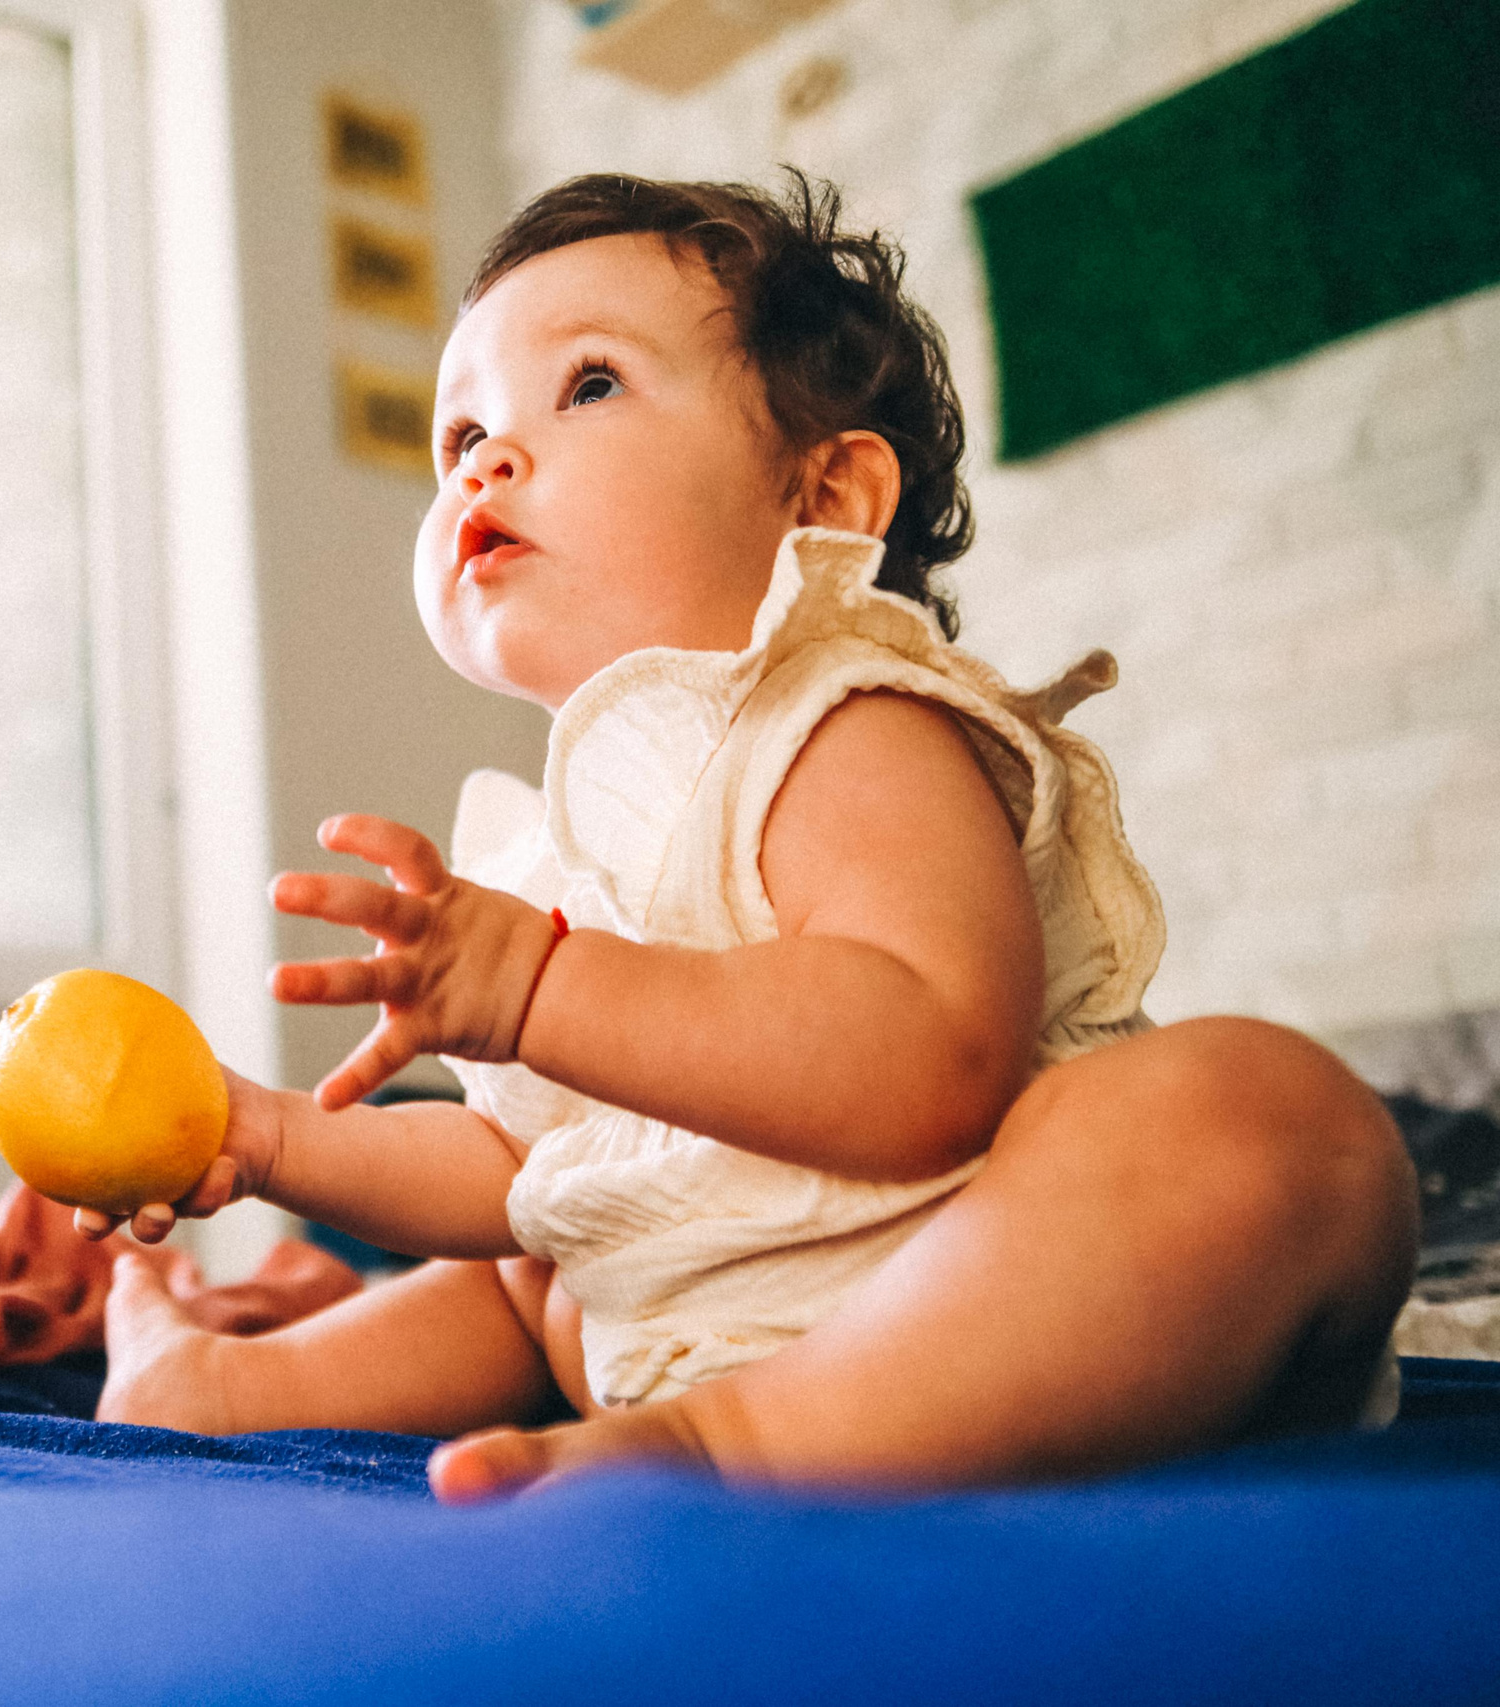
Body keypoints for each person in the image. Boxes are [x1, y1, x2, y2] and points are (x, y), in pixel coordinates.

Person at [84, 172, 1417, 1502]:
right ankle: (223, 1391)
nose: (487, 458)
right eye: (463, 433)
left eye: (588, 384)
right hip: (683, 1335)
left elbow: (931, 1062)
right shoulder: (555, 853)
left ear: (823, 496)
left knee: (1274, 1121)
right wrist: (269, 1140)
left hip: (973, 1325)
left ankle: (736, 1447)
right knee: (533, 1256)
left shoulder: (844, 721)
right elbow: (523, 1172)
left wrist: (541, 986)